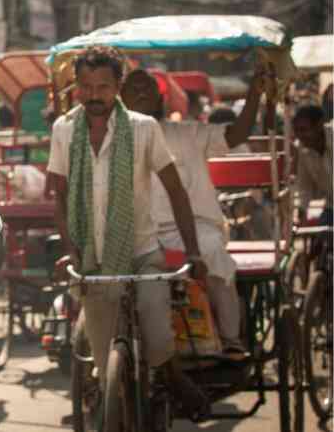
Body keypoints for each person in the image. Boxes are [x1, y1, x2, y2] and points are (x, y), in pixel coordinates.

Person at [48, 46, 209, 416]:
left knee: (156, 333)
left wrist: (194, 251)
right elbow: (59, 196)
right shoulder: (64, 130)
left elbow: (176, 192)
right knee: (106, 371)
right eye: (85, 87)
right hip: (93, 260)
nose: (93, 96)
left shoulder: (143, 129)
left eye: (103, 86)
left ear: (118, 86)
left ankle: (169, 375)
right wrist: (71, 249)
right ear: (76, 87)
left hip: (142, 254)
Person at [121, 67, 273, 356]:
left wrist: (254, 94)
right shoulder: (114, 141)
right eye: (133, 88)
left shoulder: (188, 132)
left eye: (147, 87)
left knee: (213, 251)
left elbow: (236, 133)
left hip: (196, 227)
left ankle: (230, 338)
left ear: (159, 97)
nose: (141, 93)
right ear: (121, 97)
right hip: (140, 232)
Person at [293, 104, 333, 225]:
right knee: (320, 238)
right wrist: (301, 212)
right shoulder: (302, 148)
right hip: (331, 208)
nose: (300, 136)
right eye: (297, 131)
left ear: (319, 125)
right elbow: (305, 186)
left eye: (304, 130)